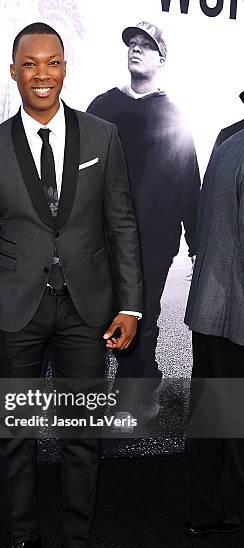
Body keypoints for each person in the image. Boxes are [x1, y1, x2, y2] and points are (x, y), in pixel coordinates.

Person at [0, 22, 143, 548]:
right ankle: (22, 536)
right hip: (15, 311)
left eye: (53, 63)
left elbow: (121, 224)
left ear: (65, 69)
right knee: (16, 430)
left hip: (88, 310)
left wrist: (132, 306)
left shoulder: (102, 136)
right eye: (30, 64)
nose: (42, 74)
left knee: (80, 432)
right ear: (15, 71)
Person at [87, 21, 200, 415]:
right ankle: (127, 385)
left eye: (146, 45)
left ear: (161, 58)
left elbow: (188, 182)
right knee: (99, 314)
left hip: (153, 239)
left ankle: (134, 394)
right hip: (101, 238)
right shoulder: (102, 106)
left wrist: (196, 244)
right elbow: (79, 170)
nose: (136, 49)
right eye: (132, 44)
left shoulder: (173, 115)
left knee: (142, 314)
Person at [184, 128, 244, 537]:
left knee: (211, 419)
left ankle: (203, 513)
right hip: (236, 312)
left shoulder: (228, 138)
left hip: (210, 307)